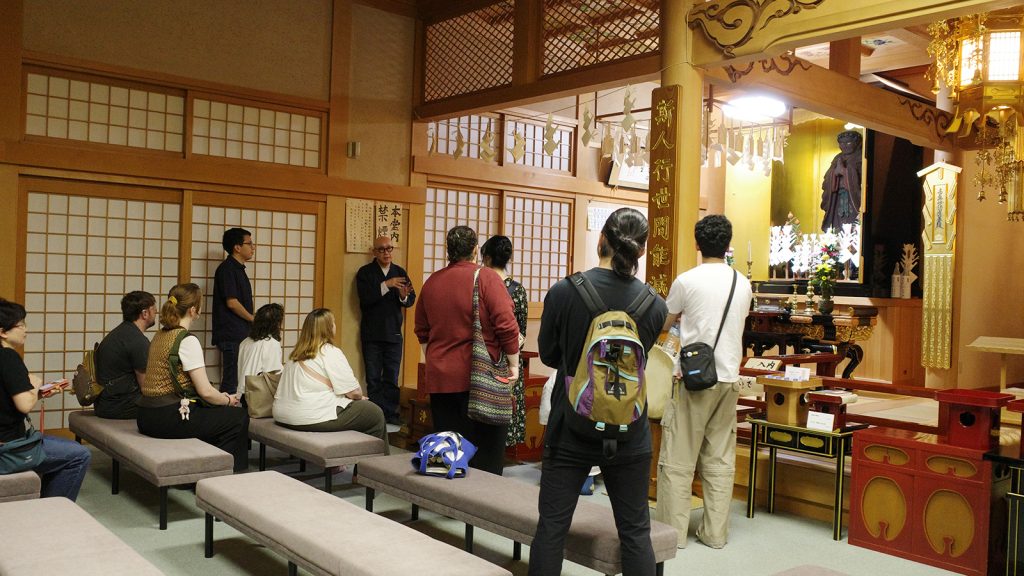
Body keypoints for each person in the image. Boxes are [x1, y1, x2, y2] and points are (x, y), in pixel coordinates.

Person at [529, 207, 667, 575]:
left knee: (552, 528)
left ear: (602, 239)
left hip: (571, 425)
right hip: (630, 428)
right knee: (635, 532)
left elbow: (549, 355)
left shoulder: (564, 292)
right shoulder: (655, 305)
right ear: (641, 251)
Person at [655, 214, 753, 549]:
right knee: (720, 459)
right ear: (728, 245)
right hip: (729, 378)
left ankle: (671, 536)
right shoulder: (743, 283)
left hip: (693, 379)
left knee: (678, 460)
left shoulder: (686, 281)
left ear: (697, 244)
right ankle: (714, 534)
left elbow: (665, 322)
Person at [415, 226, 520, 475]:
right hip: (480, 379)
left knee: (450, 451)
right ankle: (482, 497)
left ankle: (451, 495)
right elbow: (506, 325)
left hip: (441, 379)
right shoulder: (486, 278)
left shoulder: (432, 282)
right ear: (475, 250)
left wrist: (436, 360)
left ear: (448, 251)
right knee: (486, 454)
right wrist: (514, 364)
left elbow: (421, 330)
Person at [137, 284, 249, 472]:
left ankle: (200, 465)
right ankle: (218, 473)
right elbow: (205, 392)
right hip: (168, 417)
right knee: (238, 417)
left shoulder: (160, 335)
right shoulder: (186, 340)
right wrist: (228, 400)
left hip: (145, 415)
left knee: (214, 415)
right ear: (193, 310)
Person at [0, 299, 91, 499]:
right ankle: (54, 509)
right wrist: (34, 384)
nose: (25, 330)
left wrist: (39, 393)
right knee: (79, 455)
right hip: (9, 449)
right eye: (21, 325)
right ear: (3, 332)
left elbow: (7, 399)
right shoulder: (8, 357)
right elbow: (24, 405)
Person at [272, 308, 389, 451]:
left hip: (283, 415)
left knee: (358, 410)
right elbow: (355, 392)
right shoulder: (329, 351)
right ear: (327, 328)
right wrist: (357, 397)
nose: (335, 326)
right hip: (308, 416)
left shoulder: (295, 354)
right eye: (333, 323)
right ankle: (371, 463)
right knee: (374, 413)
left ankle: (346, 456)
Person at [356, 236, 415, 426]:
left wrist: (403, 297)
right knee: (373, 378)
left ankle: (391, 415)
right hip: (372, 334)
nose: (386, 253)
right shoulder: (365, 273)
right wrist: (386, 285)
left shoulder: (400, 272)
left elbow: (410, 299)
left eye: (389, 248)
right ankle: (375, 417)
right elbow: (365, 299)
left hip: (393, 333)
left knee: (391, 377)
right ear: (374, 252)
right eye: (381, 249)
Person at [480, 235, 528, 448]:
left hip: (483, 358)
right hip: (510, 358)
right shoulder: (517, 289)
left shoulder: (480, 286)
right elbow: (521, 332)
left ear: (487, 258)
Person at [93, 290, 157, 419]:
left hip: (104, 403)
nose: (156, 313)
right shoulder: (137, 340)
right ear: (145, 313)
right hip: (118, 406)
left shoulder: (120, 333)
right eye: (154, 310)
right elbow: (146, 387)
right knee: (171, 406)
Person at [213, 227, 255, 395]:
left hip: (239, 331)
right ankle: (224, 409)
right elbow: (232, 302)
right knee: (231, 381)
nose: (253, 247)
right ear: (237, 247)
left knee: (237, 377)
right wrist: (252, 318)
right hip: (231, 332)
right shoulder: (227, 269)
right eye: (249, 243)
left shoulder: (238, 269)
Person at [236, 303, 285, 396]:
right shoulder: (271, 343)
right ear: (276, 324)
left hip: (242, 392)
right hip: (259, 395)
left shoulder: (245, 342)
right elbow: (273, 373)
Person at [820, 130, 863, 232]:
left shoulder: (861, 157)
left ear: (856, 143)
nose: (844, 146)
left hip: (853, 198)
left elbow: (863, 177)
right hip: (837, 198)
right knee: (837, 224)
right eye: (842, 143)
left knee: (855, 224)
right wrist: (834, 173)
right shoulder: (838, 157)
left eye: (848, 143)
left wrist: (845, 172)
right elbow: (827, 176)